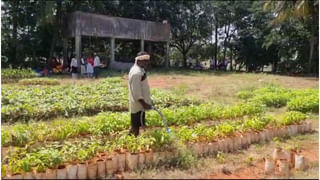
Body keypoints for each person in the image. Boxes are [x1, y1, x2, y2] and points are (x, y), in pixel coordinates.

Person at [128, 51, 152, 136]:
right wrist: (144, 103)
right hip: (138, 104)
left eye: (147, 60)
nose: (147, 63)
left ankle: (132, 137)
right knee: (136, 125)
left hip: (140, 105)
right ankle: (133, 141)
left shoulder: (140, 69)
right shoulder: (136, 73)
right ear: (138, 61)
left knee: (137, 124)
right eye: (144, 61)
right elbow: (136, 91)